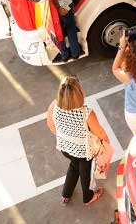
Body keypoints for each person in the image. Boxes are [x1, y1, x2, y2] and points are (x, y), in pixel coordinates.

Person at [45, 76, 109, 206]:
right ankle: (88, 197)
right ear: (79, 94)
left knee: (74, 167)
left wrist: (66, 137)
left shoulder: (54, 106)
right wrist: (107, 143)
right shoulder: (86, 113)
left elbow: (50, 125)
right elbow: (100, 132)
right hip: (84, 152)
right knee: (86, 174)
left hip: (66, 149)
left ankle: (66, 195)